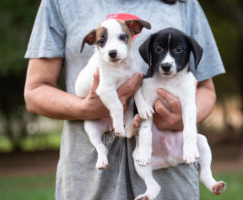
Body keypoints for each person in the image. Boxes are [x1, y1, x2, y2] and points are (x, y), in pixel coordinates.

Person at [24, 0, 225, 199]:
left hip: (171, 178)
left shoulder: (185, 4)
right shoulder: (59, 3)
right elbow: (34, 93)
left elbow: (206, 89)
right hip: (90, 179)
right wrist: (88, 109)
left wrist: (183, 118)